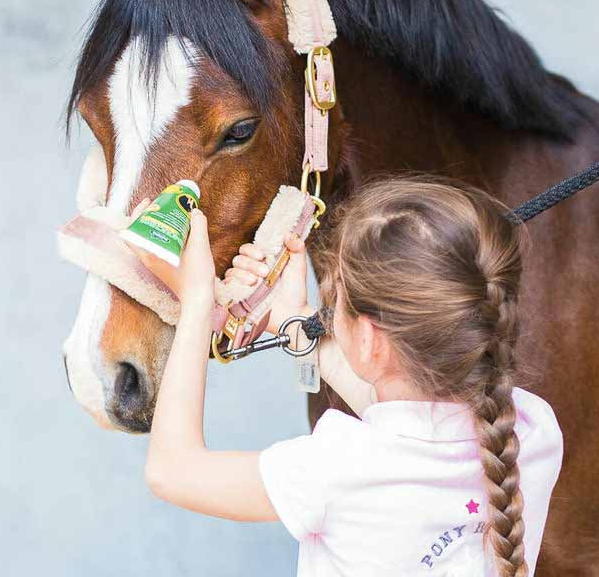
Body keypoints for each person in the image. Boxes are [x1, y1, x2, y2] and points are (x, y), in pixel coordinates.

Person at [136, 177, 563, 576]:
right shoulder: (533, 429)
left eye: (334, 295)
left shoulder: (334, 468)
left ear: (369, 340)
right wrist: (293, 320)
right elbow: (409, 420)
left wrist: (197, 299)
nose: (329, 305)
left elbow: (172, 469)